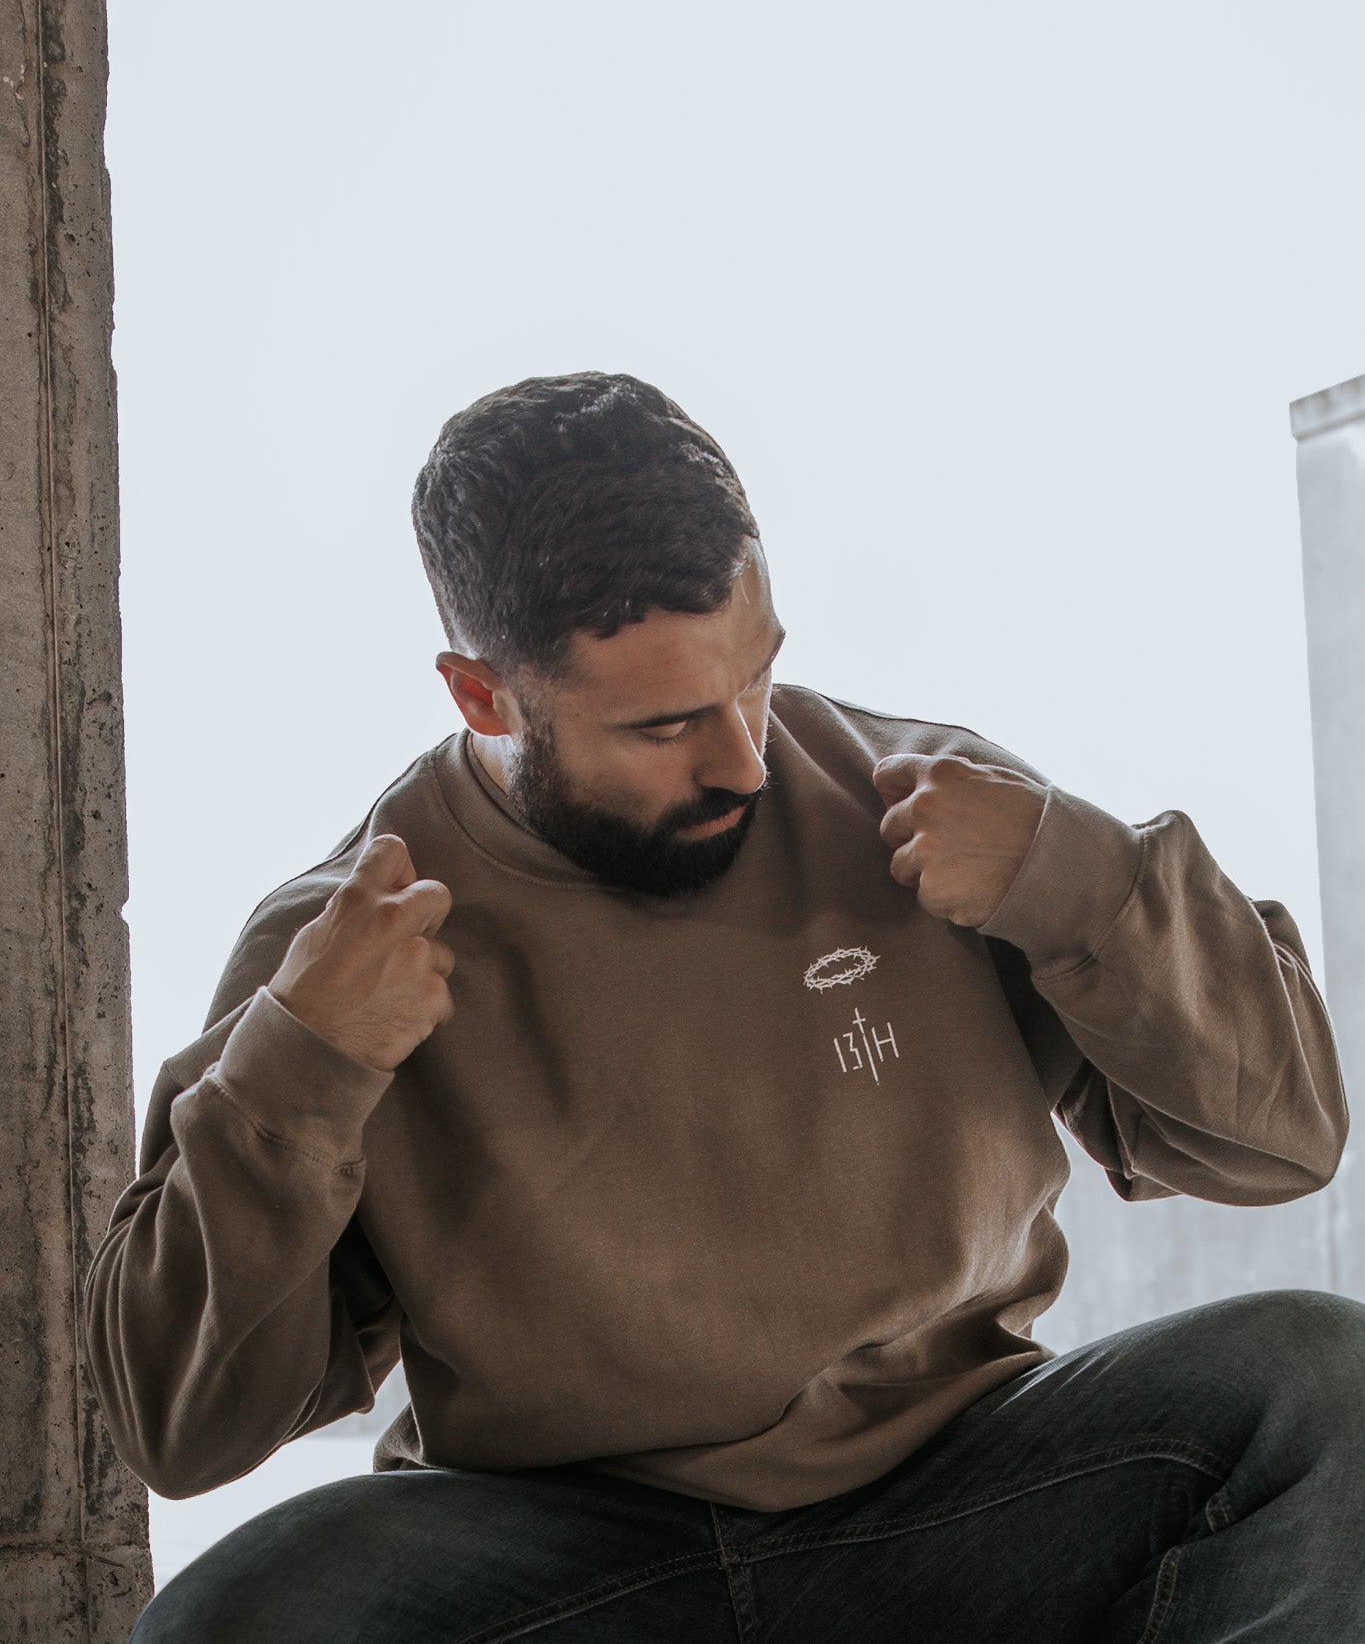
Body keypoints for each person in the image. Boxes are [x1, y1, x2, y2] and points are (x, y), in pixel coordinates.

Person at [88, 372, 1361, 1642]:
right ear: (483, 696)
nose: (745, 758)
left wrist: (1081, 881)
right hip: (571, 1552)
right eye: (664, 725)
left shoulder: (919, 800)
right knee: (235, 1621)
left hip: (966, 1493)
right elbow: (183, 1430)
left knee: (1323, 1384)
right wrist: (303, 1067)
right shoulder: (344, 945)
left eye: (756, 677)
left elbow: (1289, 1138)